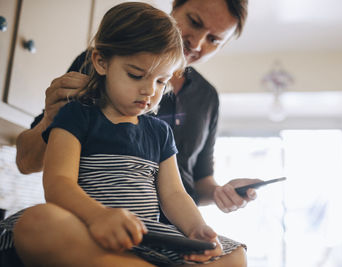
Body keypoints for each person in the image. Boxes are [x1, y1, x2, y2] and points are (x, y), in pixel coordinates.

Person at [0, 2, 246, 266]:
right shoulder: (75, 115)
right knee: (37, 222)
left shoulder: (162, 131)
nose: (150, 91)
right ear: (100, 62)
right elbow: (58, 183)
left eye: (162, 81)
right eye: (136, 75)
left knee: (235, 256)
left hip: (150, 236)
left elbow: (175, 194)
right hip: (89, 227)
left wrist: (196, 228)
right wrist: (99, 217)